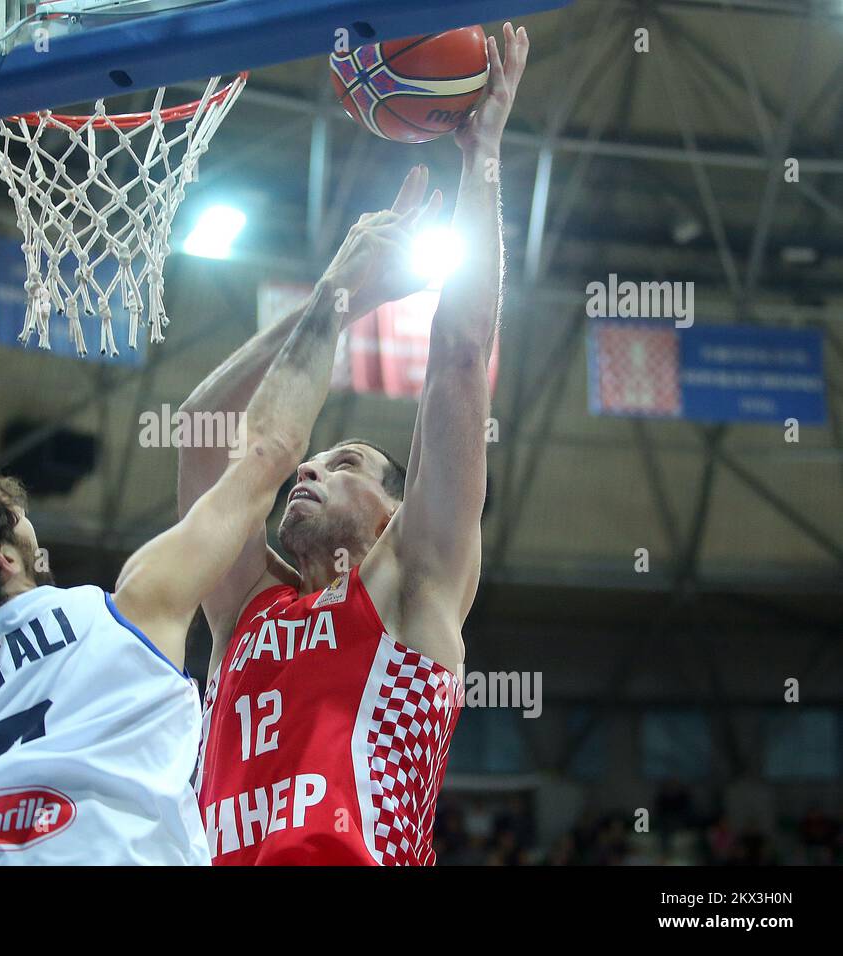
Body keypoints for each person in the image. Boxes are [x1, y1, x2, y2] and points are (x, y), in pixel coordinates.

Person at [0, 227, 425, 863]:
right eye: (8, 509)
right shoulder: (127, 611)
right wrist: (334, 292)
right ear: (4, 558)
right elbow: (269, 449)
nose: (20, 503)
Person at [182, 24, 529, 864]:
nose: (307, 465)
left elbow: (456, 360)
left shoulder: (417, 584)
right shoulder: (243, 609)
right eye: (312, 457)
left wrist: (480, 156)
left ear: (397, 511)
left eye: (346, 464)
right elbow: (199, 423)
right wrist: (331, 297)